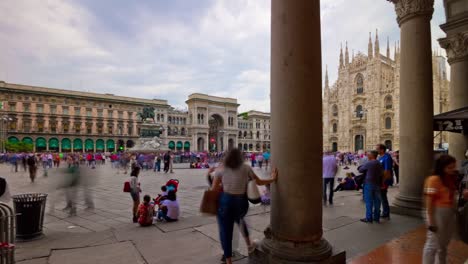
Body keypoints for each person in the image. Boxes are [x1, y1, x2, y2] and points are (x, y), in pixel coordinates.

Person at [211, 148, 278, 264]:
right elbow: (259, 182)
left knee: (225, 231)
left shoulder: (220, 169)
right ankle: (249, 245)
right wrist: (272, 178)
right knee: (240, 220)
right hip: (241, 202)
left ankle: (228, 260)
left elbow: (214, 189)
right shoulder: (246, 168)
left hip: (226, 202)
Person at [422, 155, 459, 264]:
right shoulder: (434, 179)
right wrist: (431, 221)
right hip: (437, 212)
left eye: (454, 167)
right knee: (432, 244)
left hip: (449, 212)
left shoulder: (449, 179)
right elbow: (429, 201)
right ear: (441, 167)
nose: (453, 170)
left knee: (443, 243)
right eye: (449, 167)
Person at [358, 151, 383, 223]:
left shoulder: (369, 163)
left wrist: (361, 166)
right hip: (377, 184)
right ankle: (376, 217)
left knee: (369, 201)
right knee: (377, 201)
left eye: (368, 155)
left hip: (369, 184)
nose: (367, 156)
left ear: (372, 156)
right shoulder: (379, 163)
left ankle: (369, 218)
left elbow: (360, 170)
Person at [377, 144, 392, 219]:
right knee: (381, 196)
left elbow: (387, 171)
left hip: (384, 180)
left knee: (383, 196)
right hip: (380, 180)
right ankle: (384, 212)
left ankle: (386, 213)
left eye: (377, 149)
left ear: (382, 150)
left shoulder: (387, 157)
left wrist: (383, 182)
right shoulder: (380, 157)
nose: (377, 150)